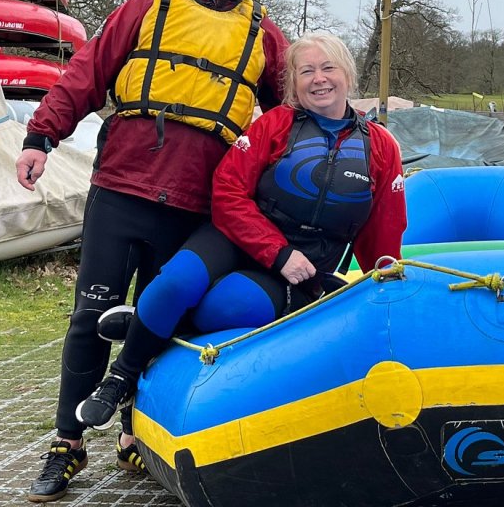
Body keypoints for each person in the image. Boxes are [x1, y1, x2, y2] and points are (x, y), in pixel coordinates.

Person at [16, 0, 289, 504]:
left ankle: (136, 431)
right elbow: (87, 73)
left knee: (163, 321)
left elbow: (290, 119)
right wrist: (41, 136)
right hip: (122, 188)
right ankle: (67, 442)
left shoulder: (265, 35)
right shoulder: (148, 5)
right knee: (91, 317)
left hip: (197, 203)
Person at [74, 31, 407, 431]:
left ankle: (152, 324)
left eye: (327, 68)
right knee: (175, 283)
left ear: (347, 74)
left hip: (301, 270)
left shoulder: (381, 146)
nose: (319, 79)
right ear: (293, 83)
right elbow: (227, 190)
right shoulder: (275, 124)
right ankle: (121, 378)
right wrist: (277, 252)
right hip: (237, 238)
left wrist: (386, 293)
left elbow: (384, 230)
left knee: (232, 306)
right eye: (306, 71)